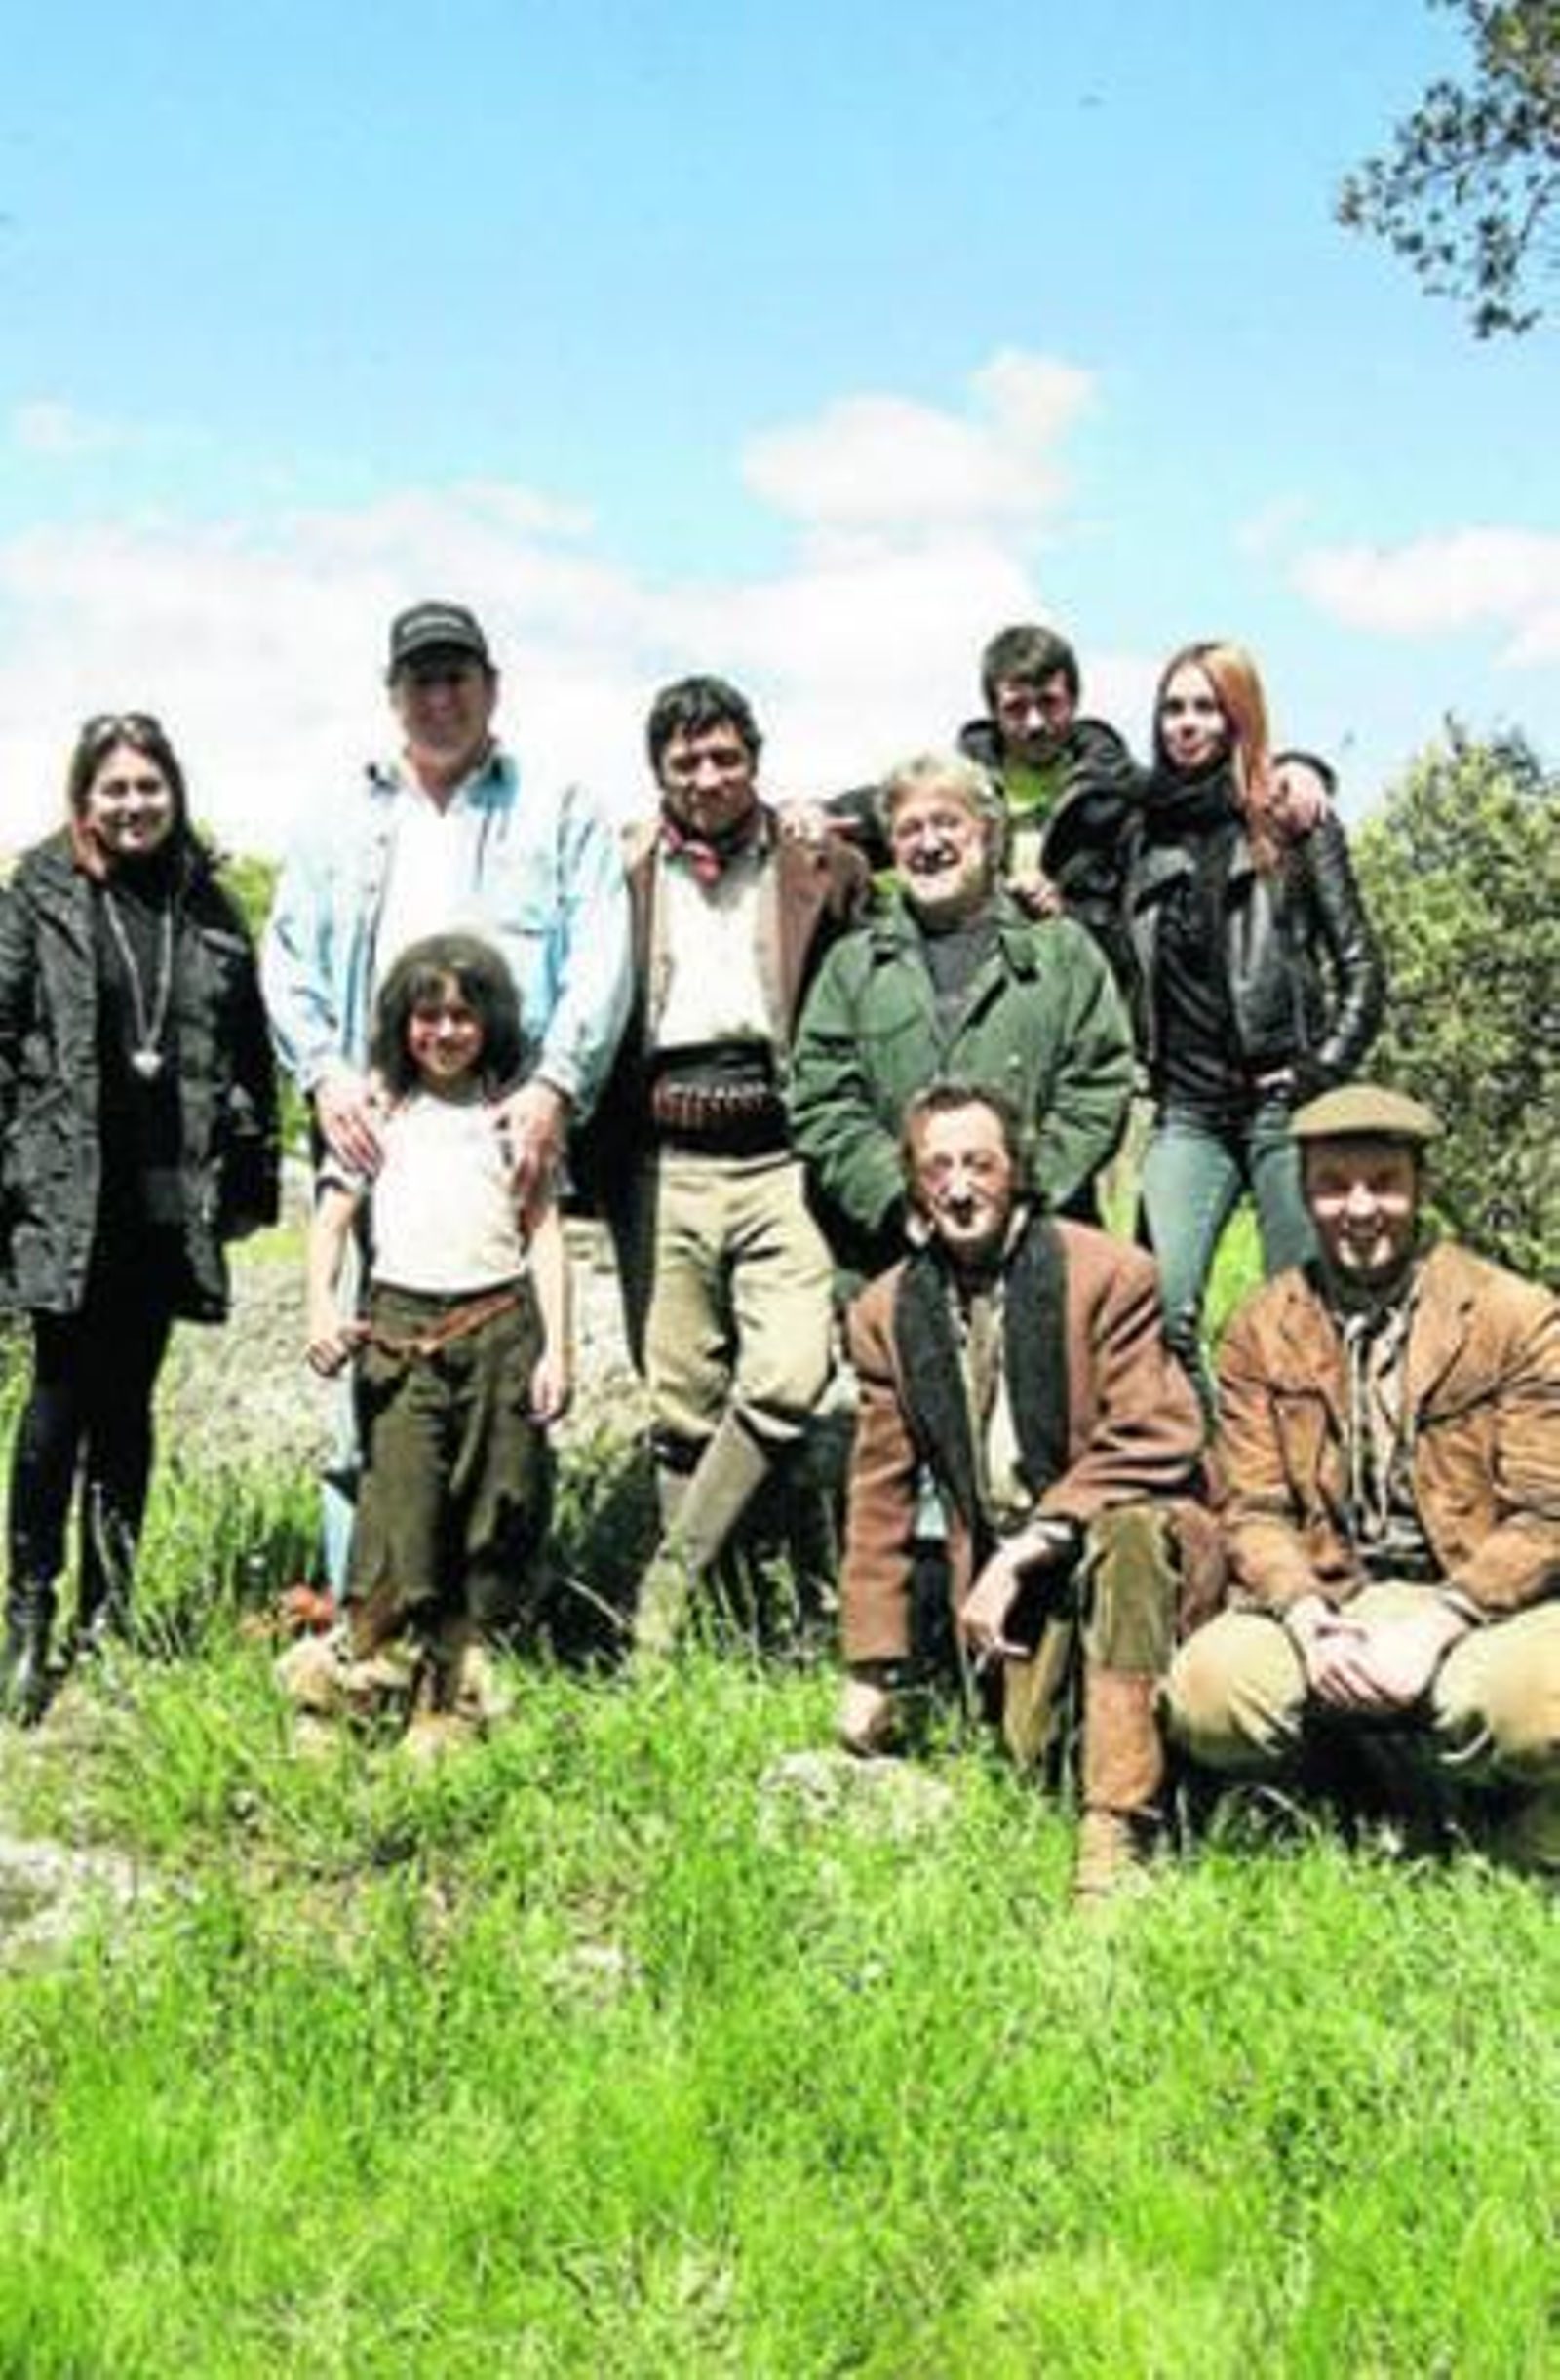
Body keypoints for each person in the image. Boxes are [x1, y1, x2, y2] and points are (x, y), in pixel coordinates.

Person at [262, 600, 630, 1593]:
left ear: (491, 686)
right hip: (373, 1116)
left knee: (504, 1369)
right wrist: (329, 1074)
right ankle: (364, 1610)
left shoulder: (557, 809)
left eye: (456, 675)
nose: (439, 695)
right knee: (363, 1376)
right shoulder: (339, 817)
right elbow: (286, 956)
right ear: (393, 695)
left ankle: (489, 1618)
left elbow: (603, 952)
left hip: (506, 1119)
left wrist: (556, 1080)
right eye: (420, 678)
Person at [1165, 1085, 1560, 1866]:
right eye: (1333, 1183)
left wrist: (1441, 1621)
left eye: (1382, 1181)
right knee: (1209, 1692)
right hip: (1334, 1594)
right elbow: (1254, 1508)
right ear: (1305, 1192)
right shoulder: (1261, 1325)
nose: (1359, 1207)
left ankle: (1494, 1822)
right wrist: (1308, 1618)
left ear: (1420, 1187)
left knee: (1525, 1706)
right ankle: (1340, 1803)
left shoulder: (1516, 1314)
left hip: (1478, 1596)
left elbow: (1546, 1513)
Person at [837, 1083, 1210, 1898]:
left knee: (1131, 1532)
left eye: (980, 1163)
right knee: (1033, 1759)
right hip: (1018, 1584)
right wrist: (871, 1664)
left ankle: (1115, 1841)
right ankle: (1099, 1755)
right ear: (914, 1185)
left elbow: (1158, 1433)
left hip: (1128, 1554)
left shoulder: (1109, 1274)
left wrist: (1032, 1542)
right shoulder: (883, 1313)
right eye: (938, 1167)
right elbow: (880, 1496)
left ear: (1018, 1174)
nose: (960, 1186)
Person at [580, 675, 871, 1658]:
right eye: (685, 760)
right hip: (660, 1159)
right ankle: (728, 1628)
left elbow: (894, 830)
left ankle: (662, 1591)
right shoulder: (616, 869)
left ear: (755, 755)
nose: (706, 777)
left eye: (724, 756)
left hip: (779, 1154)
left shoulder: (812, 861)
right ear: (657, 770)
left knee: (790, 1373)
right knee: (680, 1398)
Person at [0, 713, 279, 1720]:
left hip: (166, 1192)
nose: (132, 805)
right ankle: (27, 1616)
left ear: (175, 791)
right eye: (113, 788)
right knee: (60, 1398)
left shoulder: (206, 905)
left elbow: (247, 1051)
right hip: (66, 1184)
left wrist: (250, 1179)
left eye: (148, 786)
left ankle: (107, 1618)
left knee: (130, 1406)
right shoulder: (37, 895)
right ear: (84, 798)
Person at [287, 934, 567, 1748]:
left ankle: (454, 1695)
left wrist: (558, 1351)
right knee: (397, 1510)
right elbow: (330, 1225)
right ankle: (358, 1681)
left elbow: (544, 1235)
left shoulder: (513, 1116)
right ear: (401, 1022)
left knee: (493, 1504)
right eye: (428, 1014)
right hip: (401, 1332)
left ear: (491, 1021)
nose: (445, 1031)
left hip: (498, 1327)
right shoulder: (379, 1114)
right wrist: (318, 1314)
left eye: (463, 1015)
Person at [1122, 640, 1384, 1409]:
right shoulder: (1143, 829)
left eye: (1206, 706)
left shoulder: (1294, 821)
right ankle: (1210, 1480)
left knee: (1303, 1315)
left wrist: (1317, 1070)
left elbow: (1363, 971)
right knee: (1159, 1308)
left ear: (1240, 716)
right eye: (1174, 707)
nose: (1187, 724)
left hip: (1282, 1105)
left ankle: (1314, 1497)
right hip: (1188, 1111)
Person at [790, 749, 1134, 1280]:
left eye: (948, 823)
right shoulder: (852, 967)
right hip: (895, 1259)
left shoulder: (1061, 954)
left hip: (1039, 1247)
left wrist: (1019, 1189)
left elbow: (1099, 1082)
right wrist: (901, 1196)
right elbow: (823, 1100)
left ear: (989, 834)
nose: (929, 844)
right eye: (910, 829)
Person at [809, 621, 1140, 969]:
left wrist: (1065, 912)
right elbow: (879, 812)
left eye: (1048, 703)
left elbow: (1139, 929)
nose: (1035, 723)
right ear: (993, 711)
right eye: (1016, 708)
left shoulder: (1118, 793)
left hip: (1083, 982)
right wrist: (811, 812)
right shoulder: (958, 784)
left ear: (1074, 701)